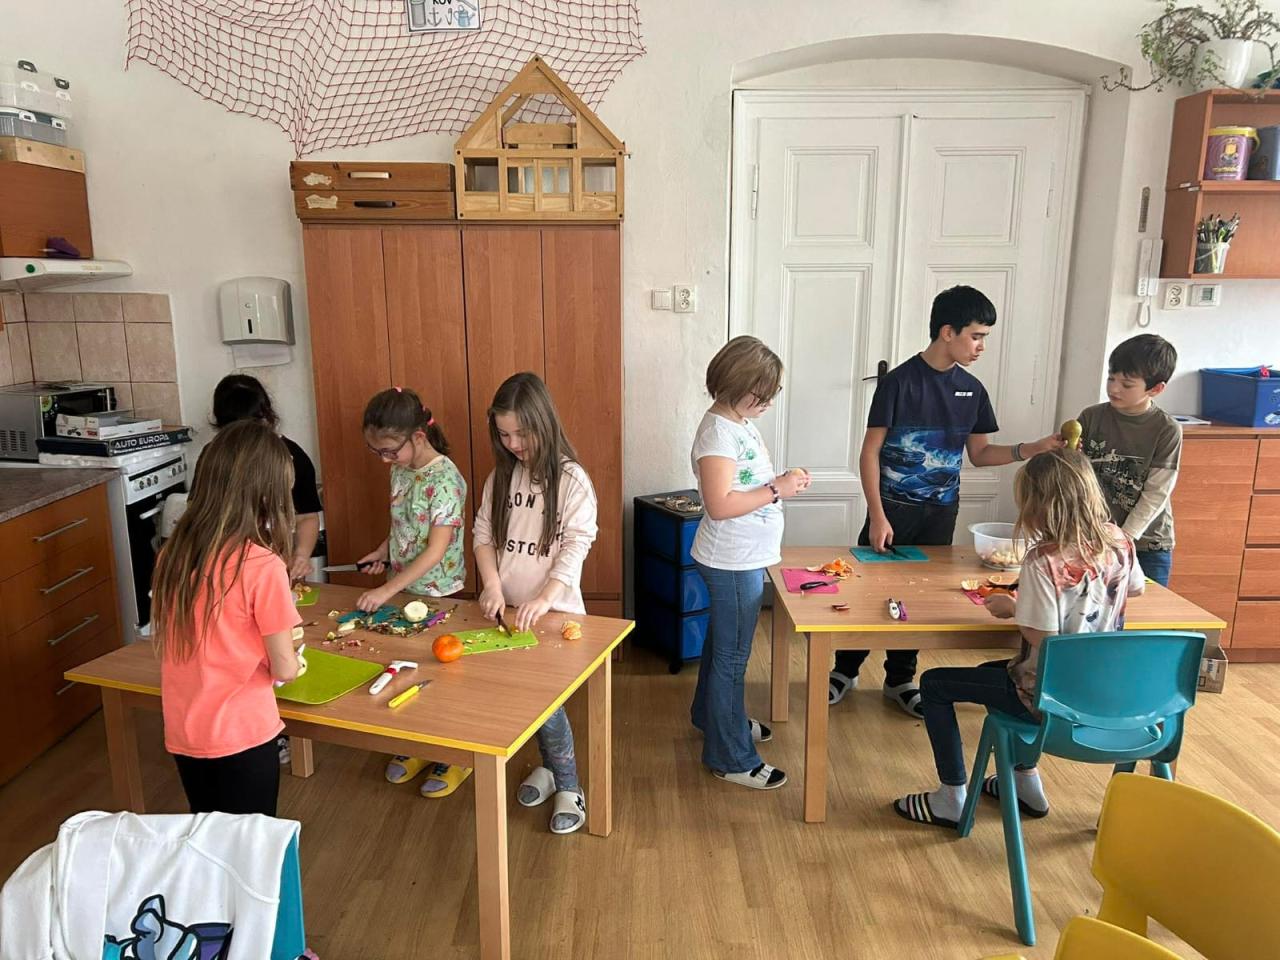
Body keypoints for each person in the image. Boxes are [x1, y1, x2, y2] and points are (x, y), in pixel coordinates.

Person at [829, 285, 1062, 718]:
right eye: (976, 336)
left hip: (941, 512)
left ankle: (901, 679)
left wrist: (1031, 449)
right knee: (868, 590)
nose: (981, 346)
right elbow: (869, 452)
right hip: (892, 511)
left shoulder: (972, 390)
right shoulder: (899, 383)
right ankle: (844, 671)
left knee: (920, 596)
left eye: (985, 337)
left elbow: (980, 454)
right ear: (947, 332)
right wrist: (877, 515)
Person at [892, 449, 1145, 828]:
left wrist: (1013, 609)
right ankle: (1025, 781)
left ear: (1041, 504)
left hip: (1050, 697)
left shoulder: (1044, 559)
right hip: (1106, 692)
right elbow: (1135, 588)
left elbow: (1044, 637)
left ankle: (951, 797)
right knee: (988, 673)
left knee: (934, 683)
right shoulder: (1119, 540)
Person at [154, 419, 305, 816]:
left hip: (186, 731)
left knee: (208, 831)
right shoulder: (263, 566)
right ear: (266, 495)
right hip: (244, 733)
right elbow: (285, 669)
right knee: (252, 839)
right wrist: (293, 659)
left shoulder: (174, 554)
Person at [474, 372, 598, 834]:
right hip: (508, 613)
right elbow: (483, 534)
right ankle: (548, 769)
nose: (513, 444)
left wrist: (546, 597)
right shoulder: (502, 476)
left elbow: (578, 543)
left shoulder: (571, 479)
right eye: (504, 435)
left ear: (544, 422)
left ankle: (569, 785)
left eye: (521, 434)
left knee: (546, 704)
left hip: (554, 614)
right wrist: (491, 585)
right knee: (524, 700)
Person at [690, 336, 810, 791]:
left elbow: (745, 483)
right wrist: (778, 488)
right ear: (735, 385)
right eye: (762, 394)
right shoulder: (718, 434)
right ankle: (731, 756)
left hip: (741, 557)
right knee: (733, 657)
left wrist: (782, 481)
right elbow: (720, 504)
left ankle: (714, 718)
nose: (768, 403)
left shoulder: (737, 422)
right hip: (731, 560)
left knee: (723, 646)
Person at [357, 387, 470, 798]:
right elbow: (402, 525)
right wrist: (383, 552)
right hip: (405, 588)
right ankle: (419, 744)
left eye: (389, 451)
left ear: (418, 437)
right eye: (377, 452)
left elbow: (436, 550)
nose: (384, 460)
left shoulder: (445, 480)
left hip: (440, 592)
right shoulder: (401, 470)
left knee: (440, 673)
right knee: (408, 668)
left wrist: (386, 590)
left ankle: (454, 755)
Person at [1076, 334, 1181, 587]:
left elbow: (1156, 492)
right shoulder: (1091, 417)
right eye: (1111, 378)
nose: (1114, 388)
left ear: (1156, 389)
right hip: (1094, 537)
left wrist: (1124, 538)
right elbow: (1075, 477)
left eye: (1127, 384)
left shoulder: (1166, 429)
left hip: (1147, 544)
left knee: (1147, 609)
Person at [211, 374, 323, 582]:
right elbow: (202, 513)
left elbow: (307, 516)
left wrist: (301, 555)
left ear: (267, 417)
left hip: (276, 563)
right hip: (227, 567)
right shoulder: (214, 458)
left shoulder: (293, 457)